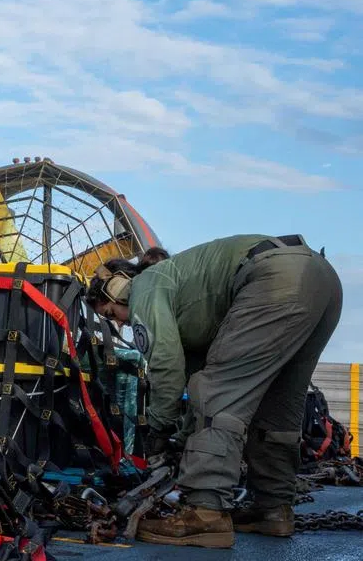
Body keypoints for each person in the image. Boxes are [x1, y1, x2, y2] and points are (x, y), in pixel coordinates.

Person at [86, 234, 342, 548]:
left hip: (275, 280)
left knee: (216, 393)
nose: (122, 326)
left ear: (117, 289)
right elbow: (198, 381)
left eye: (112, 314)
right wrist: (181, 438)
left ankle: (204, 513)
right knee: (277, 406)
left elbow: (167, 369)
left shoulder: (146, 286)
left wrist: (157, 430)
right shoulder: (190, 307)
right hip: (322, 281)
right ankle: (273, 510)